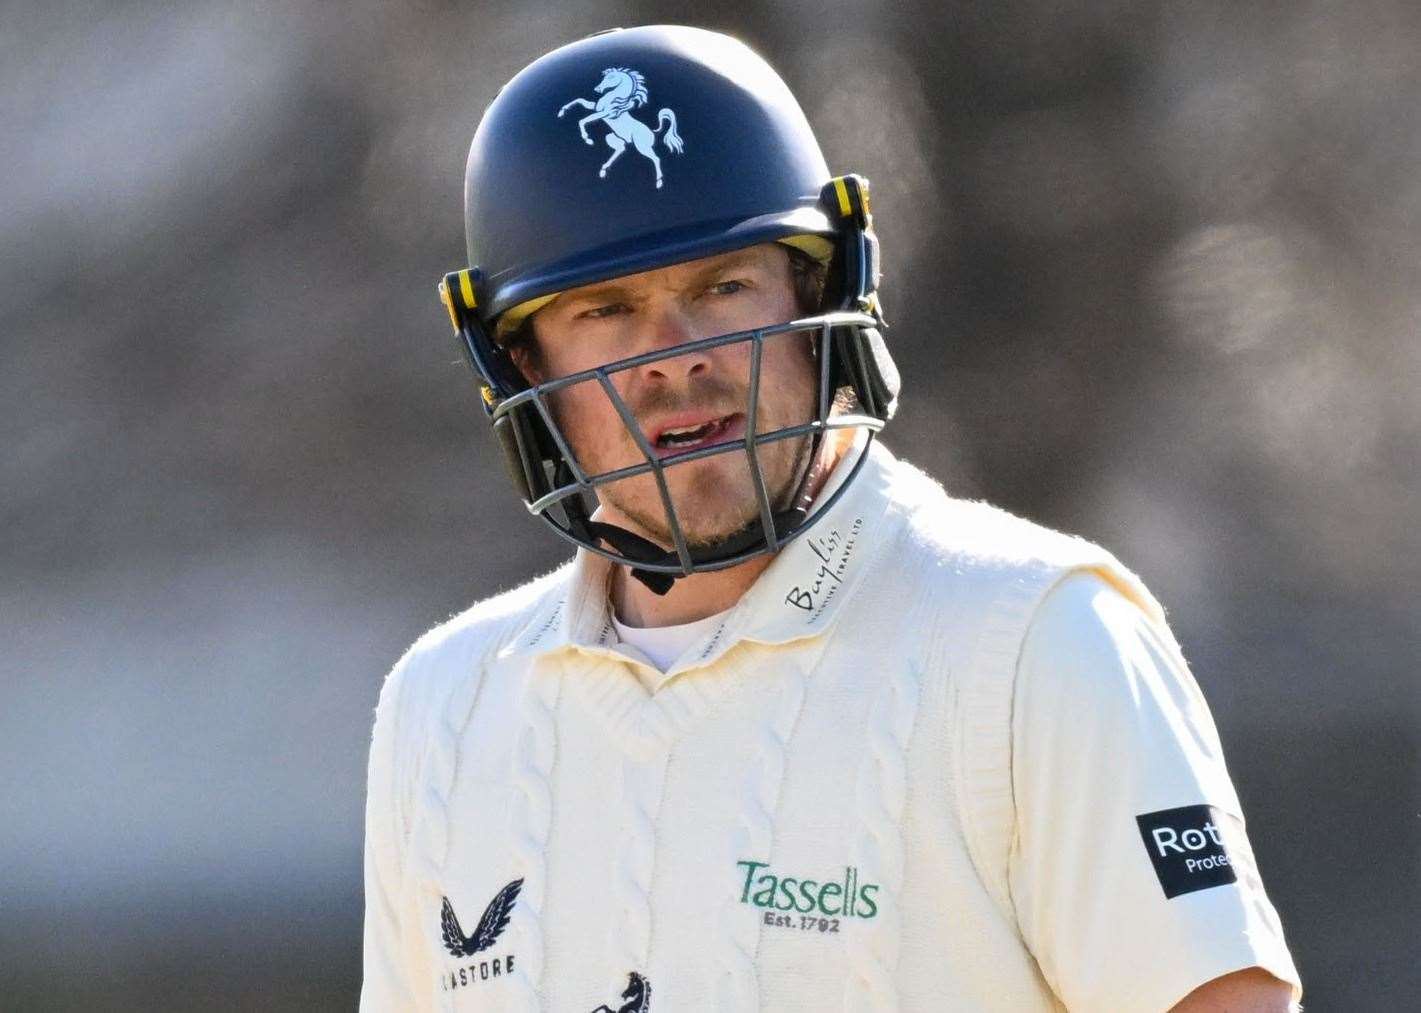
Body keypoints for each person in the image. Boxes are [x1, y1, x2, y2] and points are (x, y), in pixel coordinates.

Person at [362, 25, 1302, 1012]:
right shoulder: (446, 704)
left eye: (718, 286)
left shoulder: (1035, 633)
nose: (671, 355)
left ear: (821, 296)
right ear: (521, 366)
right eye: (603, 309)